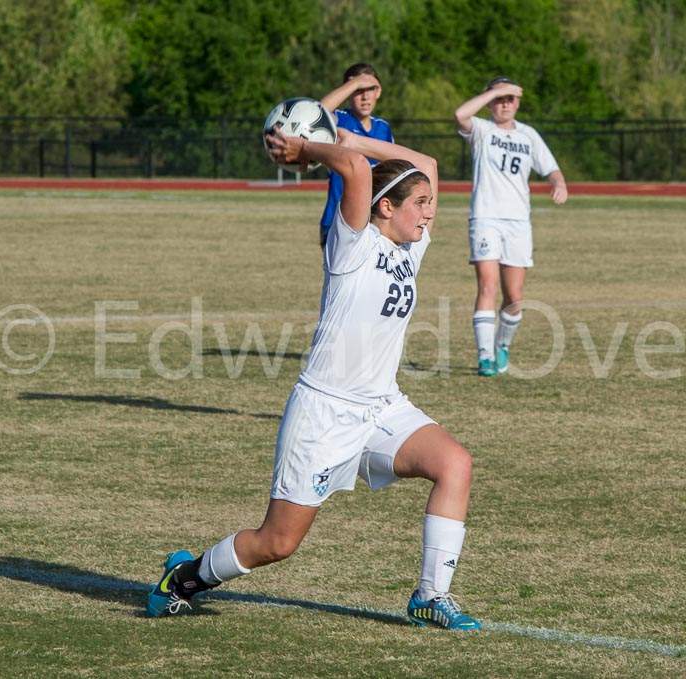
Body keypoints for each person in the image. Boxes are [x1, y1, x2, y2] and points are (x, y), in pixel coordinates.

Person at [146, 124, 481, 631]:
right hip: (324, 411)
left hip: (381, 406)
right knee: (276, 543)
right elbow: (350, 170)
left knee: (455, 464)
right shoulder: (354, 245)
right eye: (420, 202)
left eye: (430, 202)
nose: (431, 210)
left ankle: (431, 596)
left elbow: (427, 163)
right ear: (386, 206)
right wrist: (305, 150)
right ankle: (186, 578)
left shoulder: (412, 249)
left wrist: (352, 139)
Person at [455, 77, 568, 377]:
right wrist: (494, 91)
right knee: (487, 285)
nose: (504, 104)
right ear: (489, 100)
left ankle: (501, 345)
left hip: (518, 222)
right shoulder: (482, 130)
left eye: (509, 98)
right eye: (498, 98)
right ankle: (485, 357)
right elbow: (460, 115)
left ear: (518, 103)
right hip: (485, 218)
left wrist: (559, 184)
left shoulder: (528, 135)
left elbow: (552, 169)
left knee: (515, 297)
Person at [318, 63, 394, 247]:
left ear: (379, 91)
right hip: (338, 221)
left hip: (374, 223)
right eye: (359, 90)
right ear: (348, 91)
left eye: (371, 89)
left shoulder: (383, 128)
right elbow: (318, 112)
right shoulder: (339, 120)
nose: (365, 97)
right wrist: (354, 83)